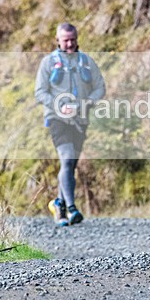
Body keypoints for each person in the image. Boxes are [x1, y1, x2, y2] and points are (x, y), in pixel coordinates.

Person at [35, 23, 105, 226]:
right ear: (57, 39)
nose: (69, 43)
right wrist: (59, 107)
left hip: (81, 120)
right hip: (58, 120)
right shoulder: (48, 63)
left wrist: (86, 103)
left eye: (72, 39)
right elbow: (40, 92)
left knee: (71, 165)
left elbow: (100, 87)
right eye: (65, 40)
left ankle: (59, 204)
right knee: (66, 160)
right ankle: (72, 209)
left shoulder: (86, 62)